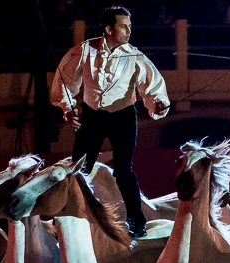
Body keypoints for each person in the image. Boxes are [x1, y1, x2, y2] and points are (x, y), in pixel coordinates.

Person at [51, 6, 170, 238]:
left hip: (124, 118)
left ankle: (137, 221)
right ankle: (68, 220)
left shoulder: (135, 55)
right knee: (78, 171)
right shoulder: (84, 51)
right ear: (108, 29)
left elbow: (152, 85)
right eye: (124, 26)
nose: (129, 31)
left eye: (129, 26)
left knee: (124, 171)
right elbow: (65, 81)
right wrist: (68, 109)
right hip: (93, 117)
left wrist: (157, 102)